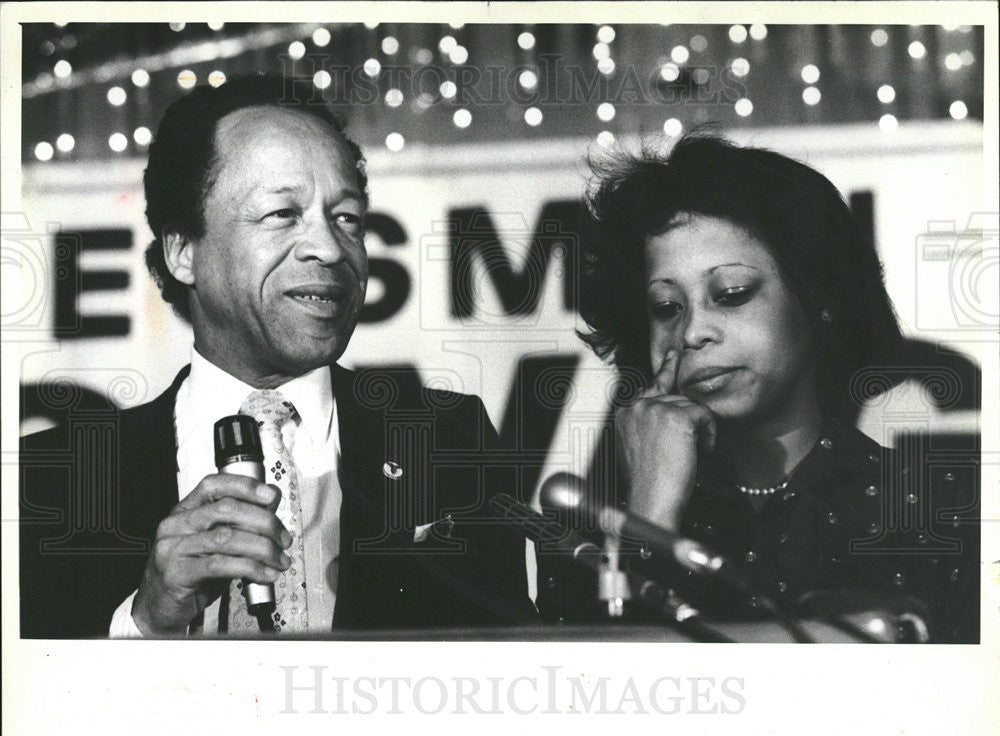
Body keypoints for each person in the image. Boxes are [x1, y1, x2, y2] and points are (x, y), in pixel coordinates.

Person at [19, 76, 533, 638]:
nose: (331, 249)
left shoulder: (449, 439)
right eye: (282, 214)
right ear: (183, 251)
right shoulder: (50, 478)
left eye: (348, 218)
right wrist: (147, 620)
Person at [536, 132, 979, 642]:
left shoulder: (937, 513)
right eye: (666, 307)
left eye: (731, 294)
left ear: (818, 299)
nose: (693, 331)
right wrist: (651, 512)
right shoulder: (586, 523)